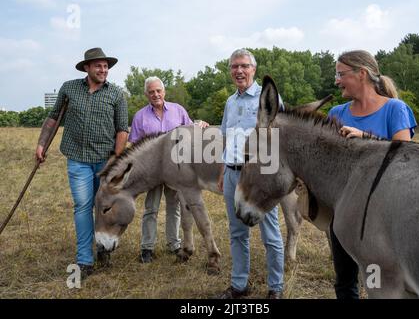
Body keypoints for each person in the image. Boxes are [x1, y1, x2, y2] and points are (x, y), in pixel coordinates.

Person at [327, 49, 417, 299]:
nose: (336, 80)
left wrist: (366, 138)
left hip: (385, 216)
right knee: (344, 281)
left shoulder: (395, 109)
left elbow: (406, 157)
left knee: (379, 280)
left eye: (340, 74)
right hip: (343, 214)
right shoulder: (336, 113)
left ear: (362, 74)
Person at [35, 47, 129, 278]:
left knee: (103, 208)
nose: (103, 69)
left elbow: (122, 130)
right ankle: (84, 260)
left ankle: (102, 247)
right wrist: (41, 144)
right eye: (98, 65)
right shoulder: (69, 89)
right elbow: (54, 118)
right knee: (82, 207)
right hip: (77, 159)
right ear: (86, 67)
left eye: (106, 66)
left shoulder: (116, 94)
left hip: (104, 161)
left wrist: (116, 161)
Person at [216, 48, 284, 299]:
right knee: (237, 232)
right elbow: (226, 138)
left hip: (259, 177)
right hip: (233, 174)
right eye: (234, 66)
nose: (239, 71)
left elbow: (278, 140)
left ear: (253, 69)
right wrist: (224, 170)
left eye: (244, 66)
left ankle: (275, 288)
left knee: (270, 234)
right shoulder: (230, 102)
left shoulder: (266, 99)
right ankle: (239, 285)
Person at [128, 76, 209, 263]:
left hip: (177, 169)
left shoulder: (178, 110)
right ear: (146, 94)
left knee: (175, 207)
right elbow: (134, 145)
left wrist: (200, 124)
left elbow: (190, 128)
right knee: (151, 208)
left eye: (158, 91)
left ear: (164, 92)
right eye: (151, 92)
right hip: (153, 171)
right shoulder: (140, 116)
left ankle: (174, 244)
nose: (155, 94)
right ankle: (147, 247)